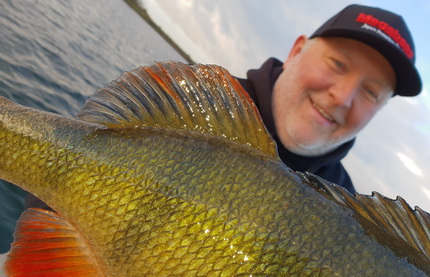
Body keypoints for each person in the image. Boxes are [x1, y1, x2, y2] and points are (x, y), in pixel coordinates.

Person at [236, 4, 422, 194]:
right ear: (296, 52)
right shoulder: (204, 99)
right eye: (338, 64)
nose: (343, 98)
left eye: (371, 92)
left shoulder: (351, 212)